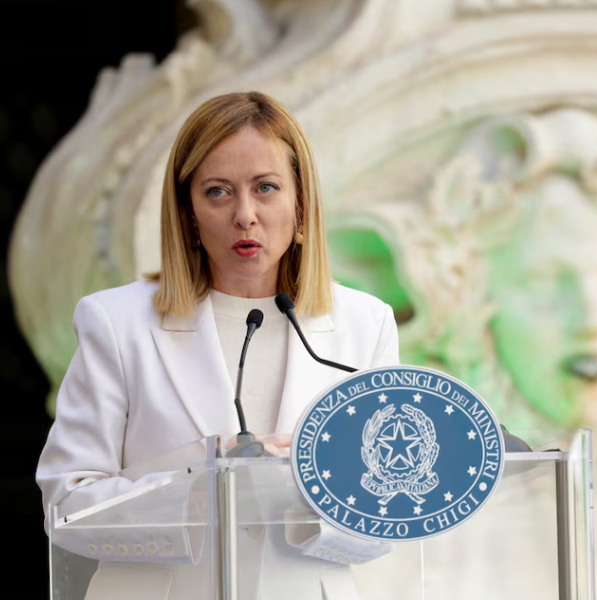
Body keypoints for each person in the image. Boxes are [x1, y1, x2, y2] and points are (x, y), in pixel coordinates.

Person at [36, 91, 399, 600]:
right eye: (218, 192)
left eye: (266, 188)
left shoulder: (366, 324)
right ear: (188, 212)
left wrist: (309, 501)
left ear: (300, 204)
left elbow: (391, 509)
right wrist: (208, 487)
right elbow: (67, 507)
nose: (245, 214)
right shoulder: (115, 322)